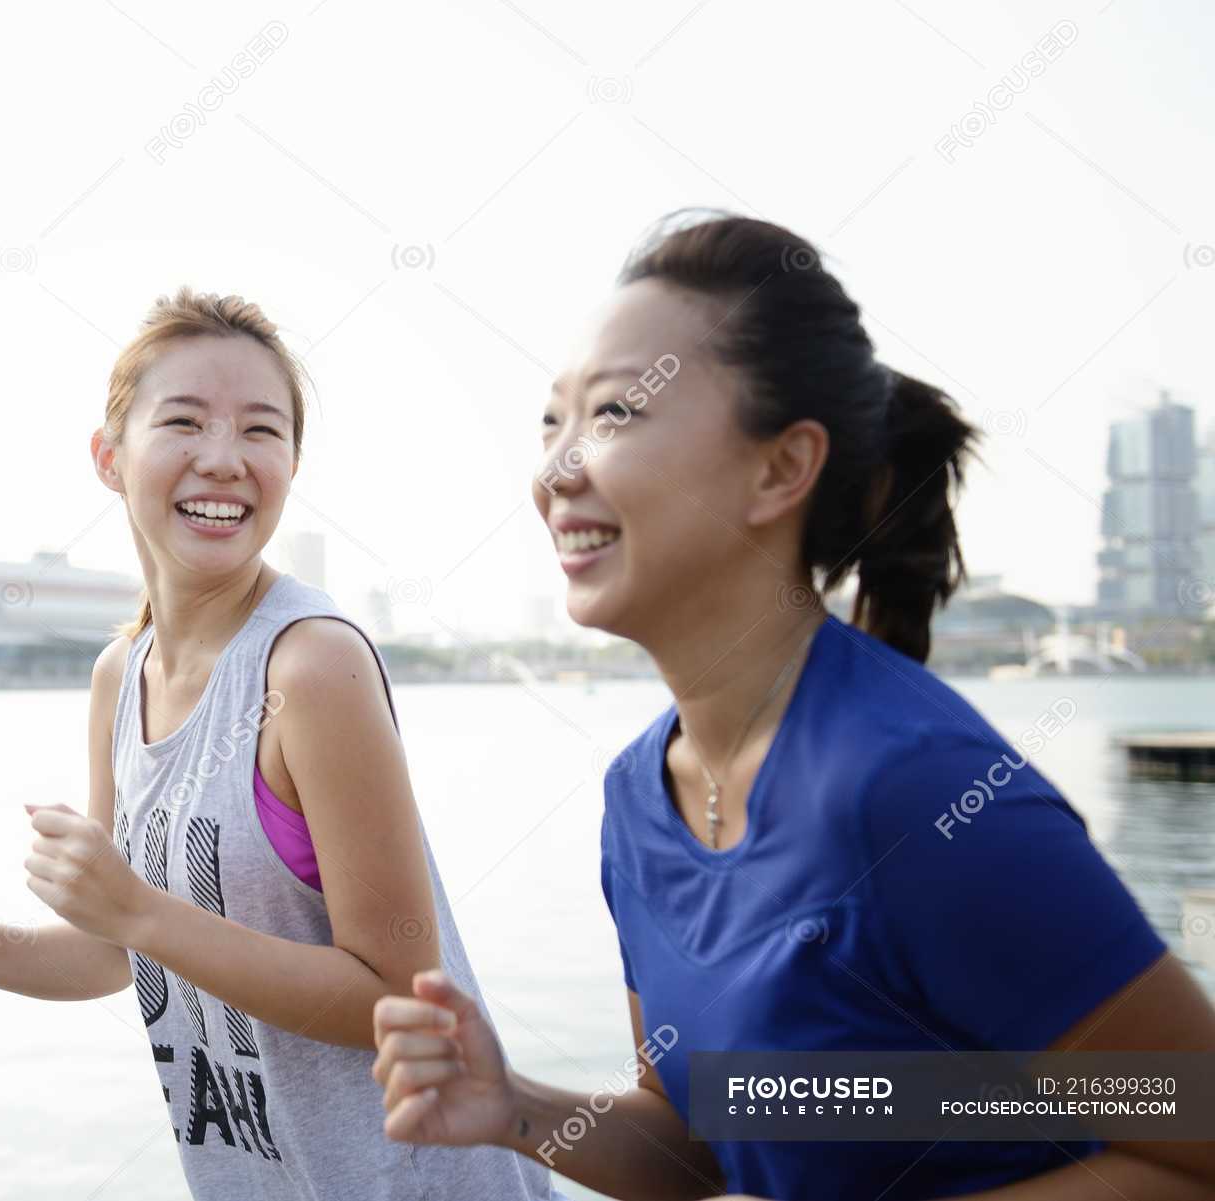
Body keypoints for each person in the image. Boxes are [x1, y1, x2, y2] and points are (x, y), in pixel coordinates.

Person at [369, 211, 1215, 1200]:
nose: (556, 470)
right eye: (553, 420)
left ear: (781, 468)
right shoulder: (640, 798)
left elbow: (1195, 1141)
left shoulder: (915, 789)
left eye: (614, 413)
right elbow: (702, 1139)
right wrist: (513, 1107)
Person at [0, 287, 562, 1200]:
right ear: (111, 457)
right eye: (184, 421)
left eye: (261, 431)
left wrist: (140, 913)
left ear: (293, 463)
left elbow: (405, 999)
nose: (224, 461)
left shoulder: (311, 666)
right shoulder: (120, 674)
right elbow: (122, 951)